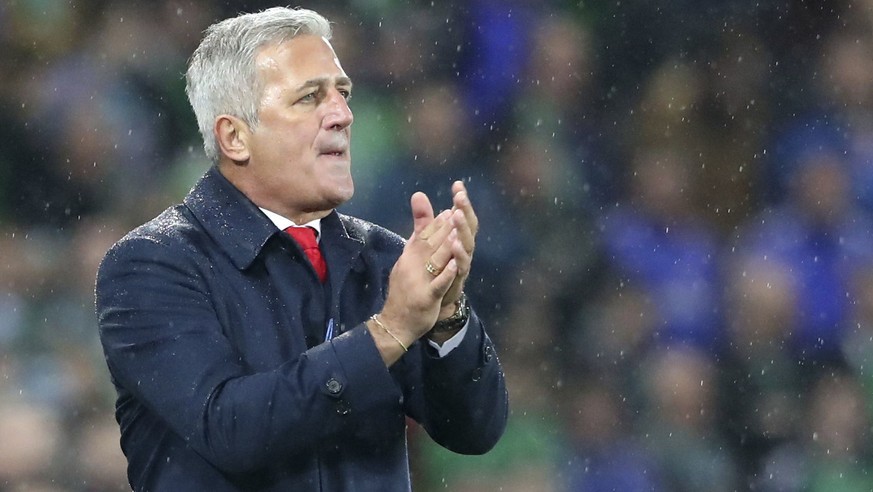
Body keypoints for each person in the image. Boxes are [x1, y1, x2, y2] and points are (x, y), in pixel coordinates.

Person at [94, 7, 508, 491]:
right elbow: (231, 429)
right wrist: (390, 330)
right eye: (311, 97)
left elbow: (474, 430)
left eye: (343, 93)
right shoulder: (151, 265)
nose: (343, 114)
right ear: (234, 137)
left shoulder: (383, 259)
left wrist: (446, 312)